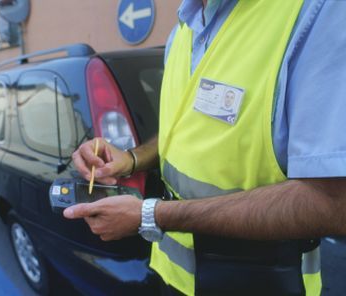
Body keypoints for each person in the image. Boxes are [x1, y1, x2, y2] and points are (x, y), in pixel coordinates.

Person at [64, 0, 346, 295]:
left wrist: (151, 215)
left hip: (258, 281)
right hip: (173, 277)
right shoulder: (182, 31)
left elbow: (332, 203)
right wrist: (132, 159)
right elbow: (183, 132)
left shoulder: (315, 12)